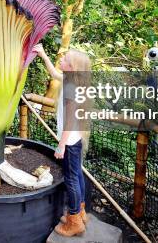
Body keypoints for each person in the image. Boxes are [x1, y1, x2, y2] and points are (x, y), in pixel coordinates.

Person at [33, 44, 91, 237]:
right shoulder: (72, 80)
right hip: (76, 139)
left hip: (70, 141)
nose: (62, 60)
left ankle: (74, 221)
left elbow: (69, 121)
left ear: (72, 67)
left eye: (65, 60)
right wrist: (42, 55)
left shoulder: (71, 88)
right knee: (77, 175)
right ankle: (80, 212)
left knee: (71, 179)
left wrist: (61, 145)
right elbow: (55, 73)